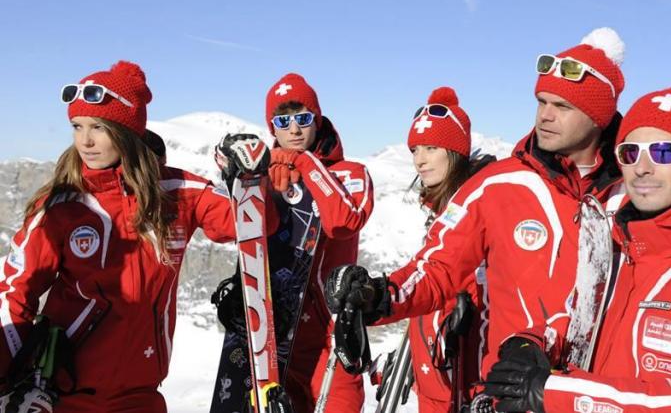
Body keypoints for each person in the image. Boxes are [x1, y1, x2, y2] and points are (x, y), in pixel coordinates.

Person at [324, 28, 629, 386]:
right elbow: (437, 268)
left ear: (599, 116)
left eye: (561, 106)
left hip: (601, 395)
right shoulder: (496, 185)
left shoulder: (635, 194)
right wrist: (378, 295)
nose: (545, 115)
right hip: (512, 392)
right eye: (541, 102)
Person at [483, 87, 671, 413]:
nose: (642, 167)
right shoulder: (618, 251)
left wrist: (554, 394)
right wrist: (534, 343)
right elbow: (578, 318)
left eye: (664, 152)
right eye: (630, 153)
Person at [0, 61, 251, 412]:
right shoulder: (62, 205)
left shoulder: (178, 193)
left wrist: (253, 180)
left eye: (98, 128)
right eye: (77, 126)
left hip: (141, 394)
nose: (85, 141)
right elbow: (16, 291)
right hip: (66, 394)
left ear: (127, 130)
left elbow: (246, 225)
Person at [210, 73, 375, 412]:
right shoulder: (265, 175)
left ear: (318, 118)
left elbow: (345, 220)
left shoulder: (351, 173)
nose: (294, 130)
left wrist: (304, 163)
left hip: (331, 339)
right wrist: (245, 181)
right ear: (272, 128)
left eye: (303, 118)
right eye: (282, 121)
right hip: (271, 342)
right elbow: (236, 233)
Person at [388, 87, 493, 412]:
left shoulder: (478, 206)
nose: (420, 160)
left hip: (465, 373)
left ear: (456, 151)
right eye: (415, 149)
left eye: (431, 148)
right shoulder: (440, 209)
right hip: (435, 371)